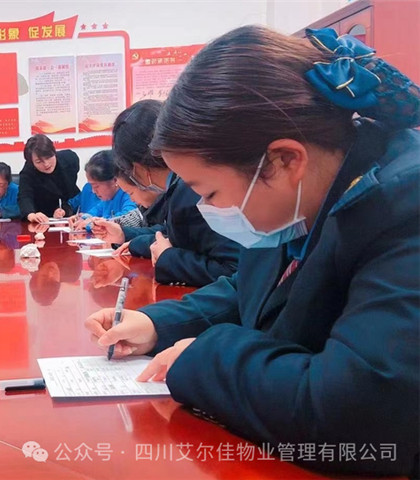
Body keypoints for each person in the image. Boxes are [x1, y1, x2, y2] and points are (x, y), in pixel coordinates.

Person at [86, 26, 420, 476]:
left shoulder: (405, 211)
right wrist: (156, 323)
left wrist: (204, 358)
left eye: (210, 192)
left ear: (284, 161)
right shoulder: (305, 198)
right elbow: (251, 286)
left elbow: (359, 419)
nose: (206, 209)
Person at [93, 100, 240, 287]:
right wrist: (128, 237)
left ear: (136, 167)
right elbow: (172, 234)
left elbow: (233, 271)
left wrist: (168, 258)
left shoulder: (191, 192)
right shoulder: (182, 188)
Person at [18, 134, 80, 222]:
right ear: (32, 163)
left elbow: (71, 189)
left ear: (54, 152)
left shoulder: (70, 159)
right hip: (43, 214)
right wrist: (30, 214)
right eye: (39, 162)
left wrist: (65, 208)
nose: (46, 164)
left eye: (48, 157)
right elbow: (25, 196)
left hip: (69, 211)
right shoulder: (28, 171)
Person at [70, 150, 137, 230]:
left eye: (96, 186)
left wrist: (94, 223)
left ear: (115, 180)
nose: (93, 191)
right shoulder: (107, 198)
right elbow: (95, 211)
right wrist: (83, 218)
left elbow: (127, 218)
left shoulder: (129, 195)